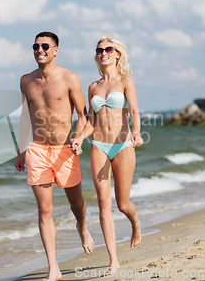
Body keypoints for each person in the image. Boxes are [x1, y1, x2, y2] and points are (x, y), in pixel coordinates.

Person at [15, 31, 94, 281]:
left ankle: (82, 227)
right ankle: (54, 269)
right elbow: (26, 116)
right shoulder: (26, 81)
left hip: (65, 149)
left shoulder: (69, 77)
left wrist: (79, 139)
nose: (40, 49)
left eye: (45, 46)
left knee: (76, 204)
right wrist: (20, 150)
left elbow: (84, 116)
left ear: (56, 50)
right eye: (36, 46)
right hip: (37, 150)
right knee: (44, 209)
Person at [71, 33, 143, 275]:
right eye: (100, 50)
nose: (104, 53)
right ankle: (114, 259)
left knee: (122, 205)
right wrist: (80, 137)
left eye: (109, 49)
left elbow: (134, 111)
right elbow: (90, 122)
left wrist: (137, 133)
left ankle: (135, 223)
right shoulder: (93, 87)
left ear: (117, 54)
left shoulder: (125, 82)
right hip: (99, 145)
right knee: (103, 202)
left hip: (122, 145)